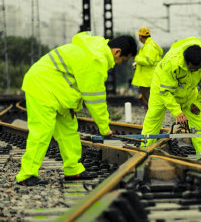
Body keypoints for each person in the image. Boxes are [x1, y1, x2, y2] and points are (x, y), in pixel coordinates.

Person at [16, 32, 137, 186]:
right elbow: (95, 99)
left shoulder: (93, 51)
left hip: (57, 91)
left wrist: (73, 104)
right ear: (117, 51)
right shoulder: (96, 60)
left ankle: (73, 169)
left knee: (69, 132)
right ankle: (27, 175)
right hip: (42, 87)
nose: (119, 64)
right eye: (123, 60)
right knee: (42, 132)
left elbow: (75, 79)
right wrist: (104, 128)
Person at [141, 37, 201, 160]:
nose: (196, 71)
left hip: (188, 89)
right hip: (162, 86)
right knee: (154, 116)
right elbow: (166, 92)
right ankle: (145, 149)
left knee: (196, 116)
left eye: (198, 69)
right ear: (186, 62)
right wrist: (177, 112)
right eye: (193, 68)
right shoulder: (172, 62)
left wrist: (200, 103)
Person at [131, 26, 163, 110]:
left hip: (147, 80)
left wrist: (136, 57)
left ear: (141, 36)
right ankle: (150, 120)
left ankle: (150, 121)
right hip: (148, 78)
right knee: (148, 101)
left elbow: (149, 61)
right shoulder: (149, 46)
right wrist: (137, 63)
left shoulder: (149, 47)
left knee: (148, 102)